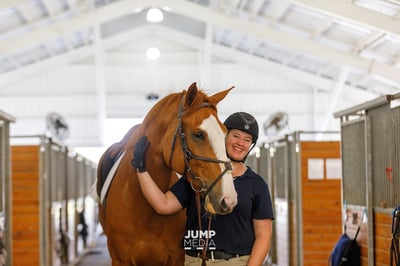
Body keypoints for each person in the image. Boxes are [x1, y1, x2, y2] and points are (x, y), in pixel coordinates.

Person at [132, 112, 274, 266]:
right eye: (236, 136)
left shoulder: (257, 184)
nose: (240, 143)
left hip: (236, 261)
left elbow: (263, 236)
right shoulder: (197, 178)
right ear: (223, 137)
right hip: (196, 261)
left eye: (247, 140)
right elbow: (163, 205)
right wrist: (141, 169)